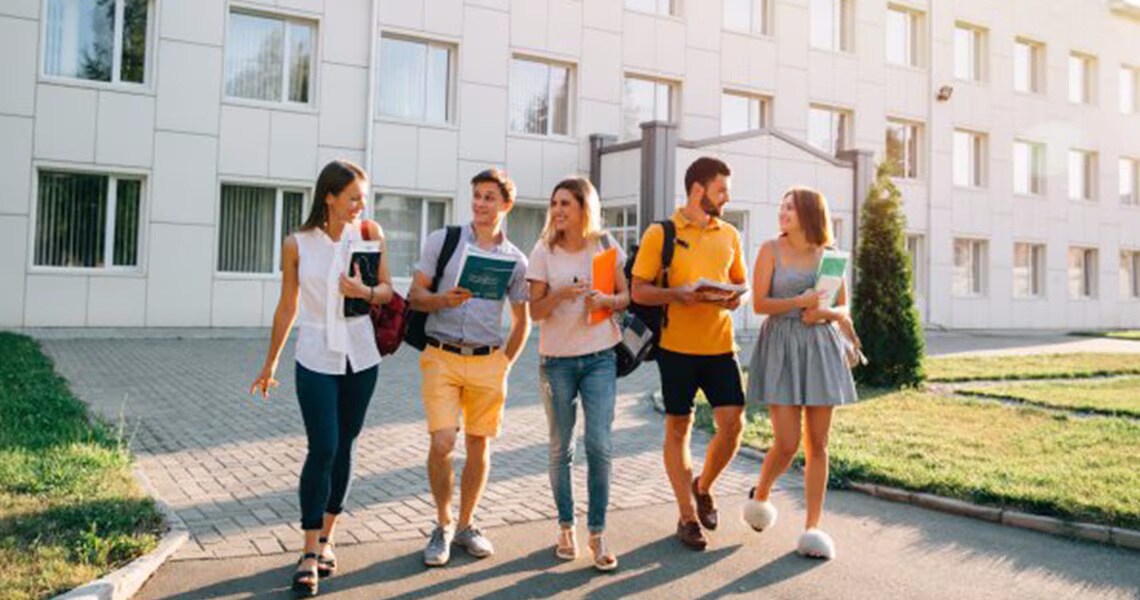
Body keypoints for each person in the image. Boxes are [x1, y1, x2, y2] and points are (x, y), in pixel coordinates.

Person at [250, 160, 393, 596]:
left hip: (361, 355)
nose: (359, 207)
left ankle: (328, 539)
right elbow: (287, 305)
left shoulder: (369, 235)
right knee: (323, 446)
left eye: (363, 199)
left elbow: (388, 290)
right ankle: (308, 551)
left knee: (346, 445)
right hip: (314, 355)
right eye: (353, 198)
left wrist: (364, 293)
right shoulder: (297, 244)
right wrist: (270, 361)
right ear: (329, 196)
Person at [408, 168, 531, 567]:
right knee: (443, 442)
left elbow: (522, 319)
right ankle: (442, 525)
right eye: (476, 195)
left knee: (479, 444)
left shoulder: (515, 260)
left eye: (489, 197)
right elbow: (414, 296)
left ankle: (466, 525)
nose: (480, 203)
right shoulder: (443, 241)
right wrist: (443, 300)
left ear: (505, 205)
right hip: (441, 355)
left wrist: (504, 364)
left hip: (487, 361)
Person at [630, 156, 748, 550]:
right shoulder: (659, 233)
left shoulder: (729, 234)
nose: (726, 198)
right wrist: (676, 295)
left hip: (720, 346)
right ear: (699, 190)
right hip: (675, 349)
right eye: (721, 190)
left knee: (733, 425)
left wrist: (733, 300)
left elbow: (739, 282)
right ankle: (686, 517)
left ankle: (704, 486)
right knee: (678, 428)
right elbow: (638, 290)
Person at [741, 187, 858, 560]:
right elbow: (759, 304)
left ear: (809, 214)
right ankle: (760, 495)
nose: (782, 213)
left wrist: (822, 313)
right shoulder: (769, 250)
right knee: (788, 442)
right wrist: (800, 302)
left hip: (821, 348)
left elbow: (843, 306)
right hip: (781, 346)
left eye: (789, 207)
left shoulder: (829, 257)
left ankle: (812, 527)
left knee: (819, 444)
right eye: (781, 207)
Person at [527, 177, 629, 571]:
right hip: (556, 361)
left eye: (565, 203)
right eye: (554, 203)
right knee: (560, 447)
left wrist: (607, 300)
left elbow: (626, 295)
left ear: (585, 207)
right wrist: (560, 295)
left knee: (600, 444)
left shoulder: (604, 244)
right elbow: (534, 312)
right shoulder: (543, 251)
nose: (557, 210)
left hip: (600, 356)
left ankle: (598, 532)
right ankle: (566, 526)